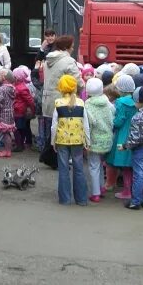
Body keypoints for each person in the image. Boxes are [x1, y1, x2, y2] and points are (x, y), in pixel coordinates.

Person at [51, 75, 90, 206]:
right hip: (78, 140)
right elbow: (86, 124)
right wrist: (87, 141)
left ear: (61, 88)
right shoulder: (81, 103)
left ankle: (65, 199)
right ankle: (81, 199)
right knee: (79, 169)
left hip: (62, 140)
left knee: (63, 169)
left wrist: (53, 141)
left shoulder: (58, 103)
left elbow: (54, 125)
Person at [41, 35, 84, 152]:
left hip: (48, 99)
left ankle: (49, 154)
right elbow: (78, 82)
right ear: (67, 47)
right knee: (63, 130)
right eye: (72, 46)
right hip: (63, 100)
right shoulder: (68, 61)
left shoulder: (48, 60)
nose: (73, 48)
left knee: (51, 128)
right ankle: (58, 157)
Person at [104, 74, 137, 200]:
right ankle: (132, 189)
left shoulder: (120, 102)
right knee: (130, 166)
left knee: (124, 166)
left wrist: (111, 123)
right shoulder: (135, 101)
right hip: (133, 134)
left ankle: (127, 190)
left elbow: (118, 121)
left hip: (121, 135)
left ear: (120, 89)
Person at [84, 77, 114, 203]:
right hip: (107, 139)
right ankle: (101, 187)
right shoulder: (107, 102)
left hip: (95, 140)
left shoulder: (88, 105)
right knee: (101, 164)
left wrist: (86, 140)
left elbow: (88, 124)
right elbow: (113, 115)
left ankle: (95, 193)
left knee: (93, 166)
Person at [0, 69, 17, 158]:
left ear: (4, 78)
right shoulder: (12, 88)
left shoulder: (2, 88)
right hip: (10, 113)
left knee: (5, 133)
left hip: (2, 113)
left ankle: (6, 151)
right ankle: (8, 150)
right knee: (8, 133)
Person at [12, 66, 36, 151]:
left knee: (18, 129)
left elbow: (30, 100)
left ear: (17, 77)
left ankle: (20, 145)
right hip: (16, 110)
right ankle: (20, 143)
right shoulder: (16, 85)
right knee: (18, 128)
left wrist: (33, 110)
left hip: (19, 111)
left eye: (14, 76)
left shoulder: (22, 88)